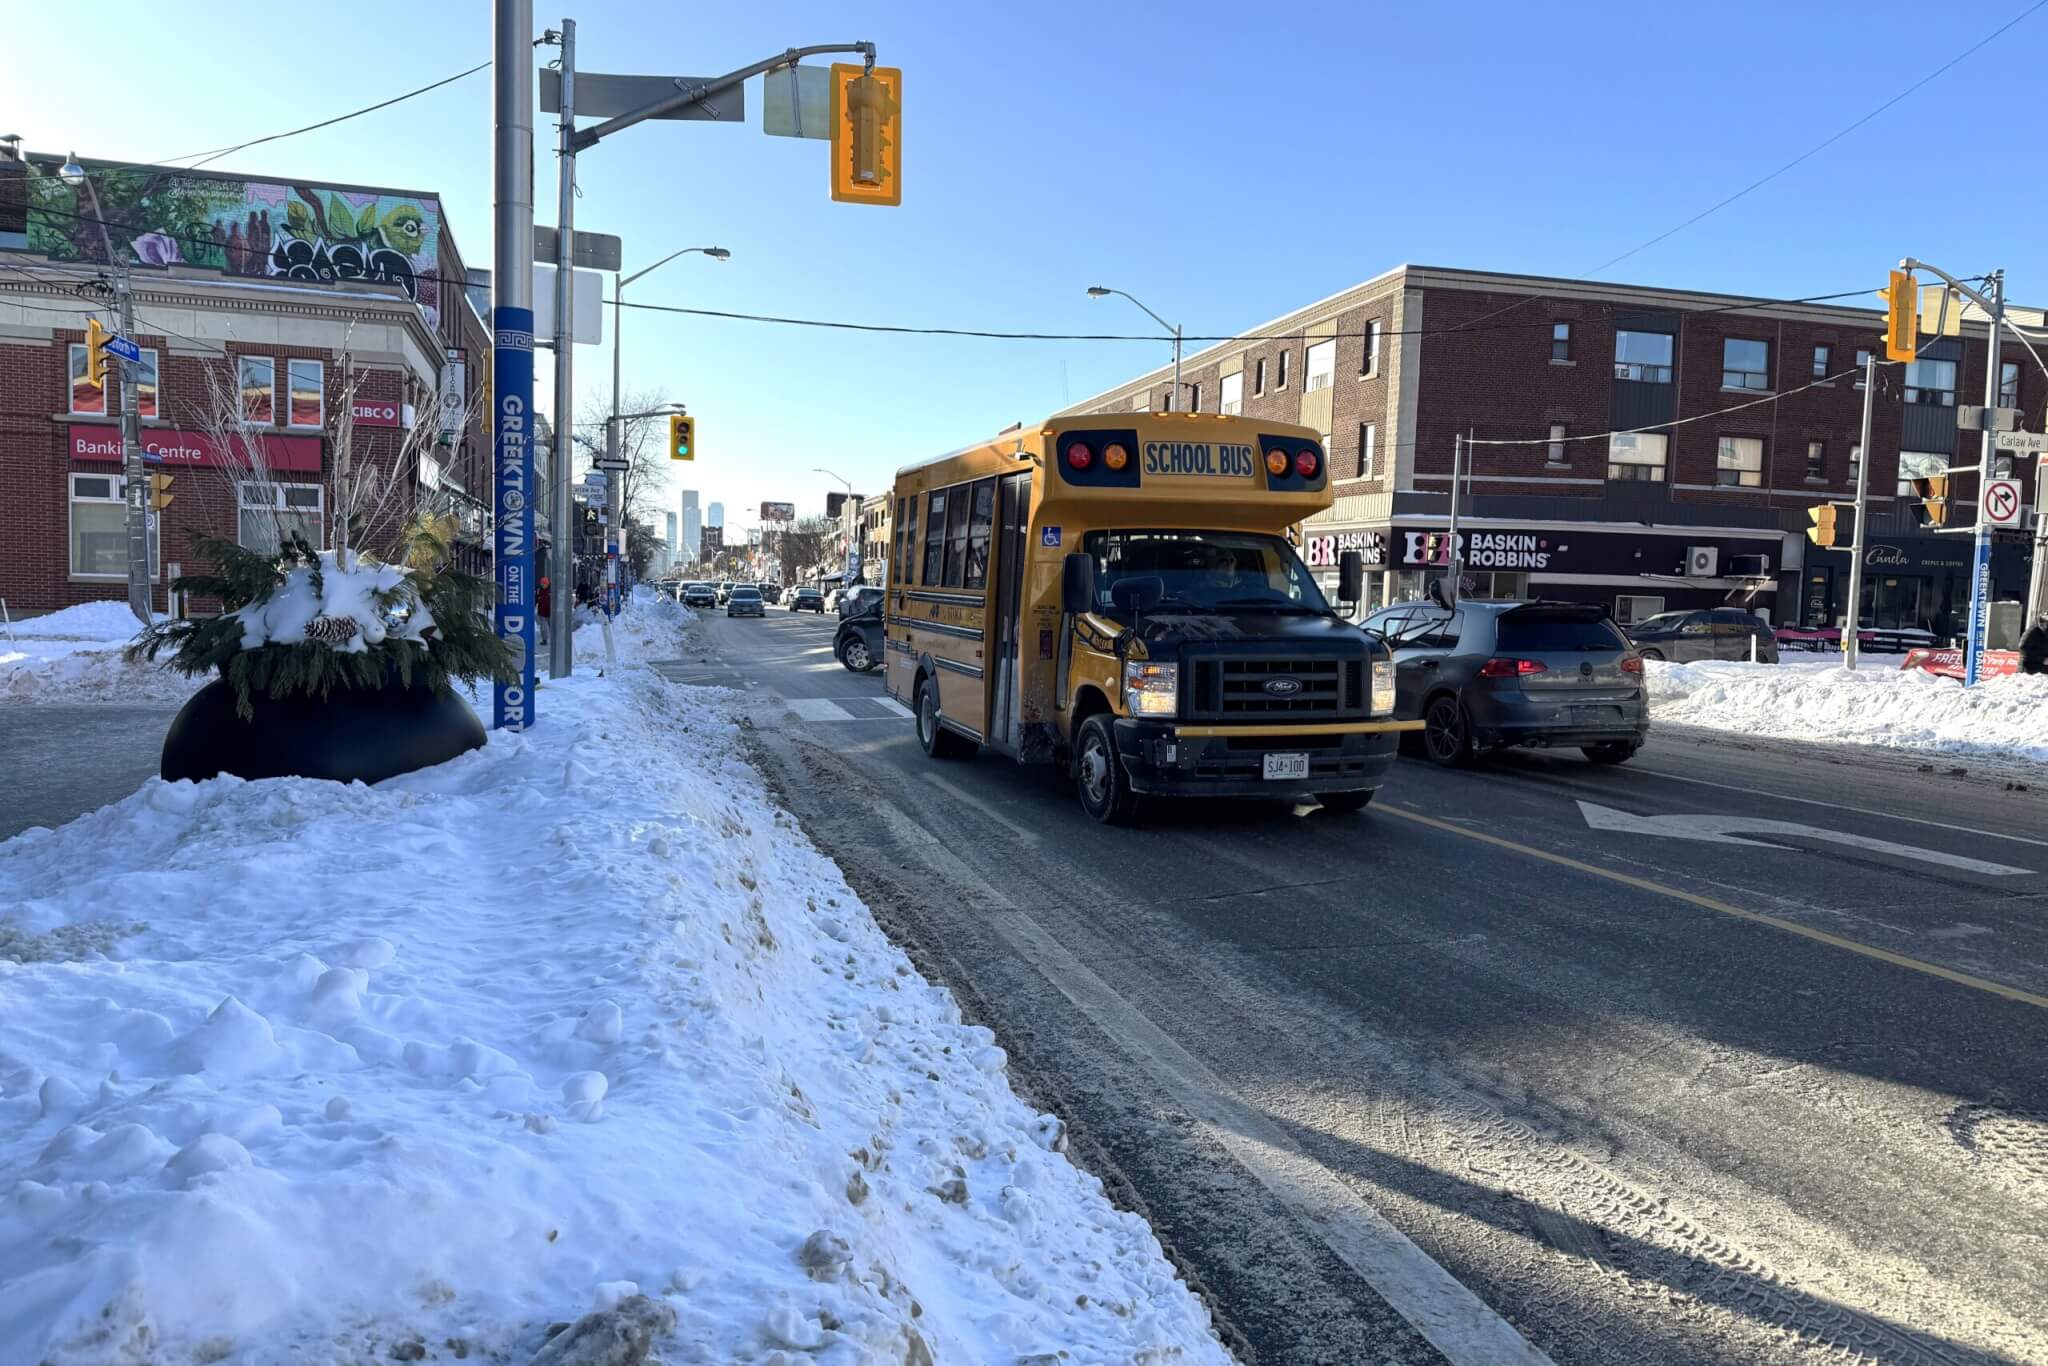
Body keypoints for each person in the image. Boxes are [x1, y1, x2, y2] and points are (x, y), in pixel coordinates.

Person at [536, 577, 552, 645]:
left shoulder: (551, 591)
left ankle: (556, 639)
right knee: (543, 627)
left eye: (544, 583)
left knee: (552, 626)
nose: (543, 585)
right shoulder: (539, 591)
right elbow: (536, 600)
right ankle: (544, 640)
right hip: (541, 612)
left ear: (547, 584)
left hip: (550, 612)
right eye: (542, 583)